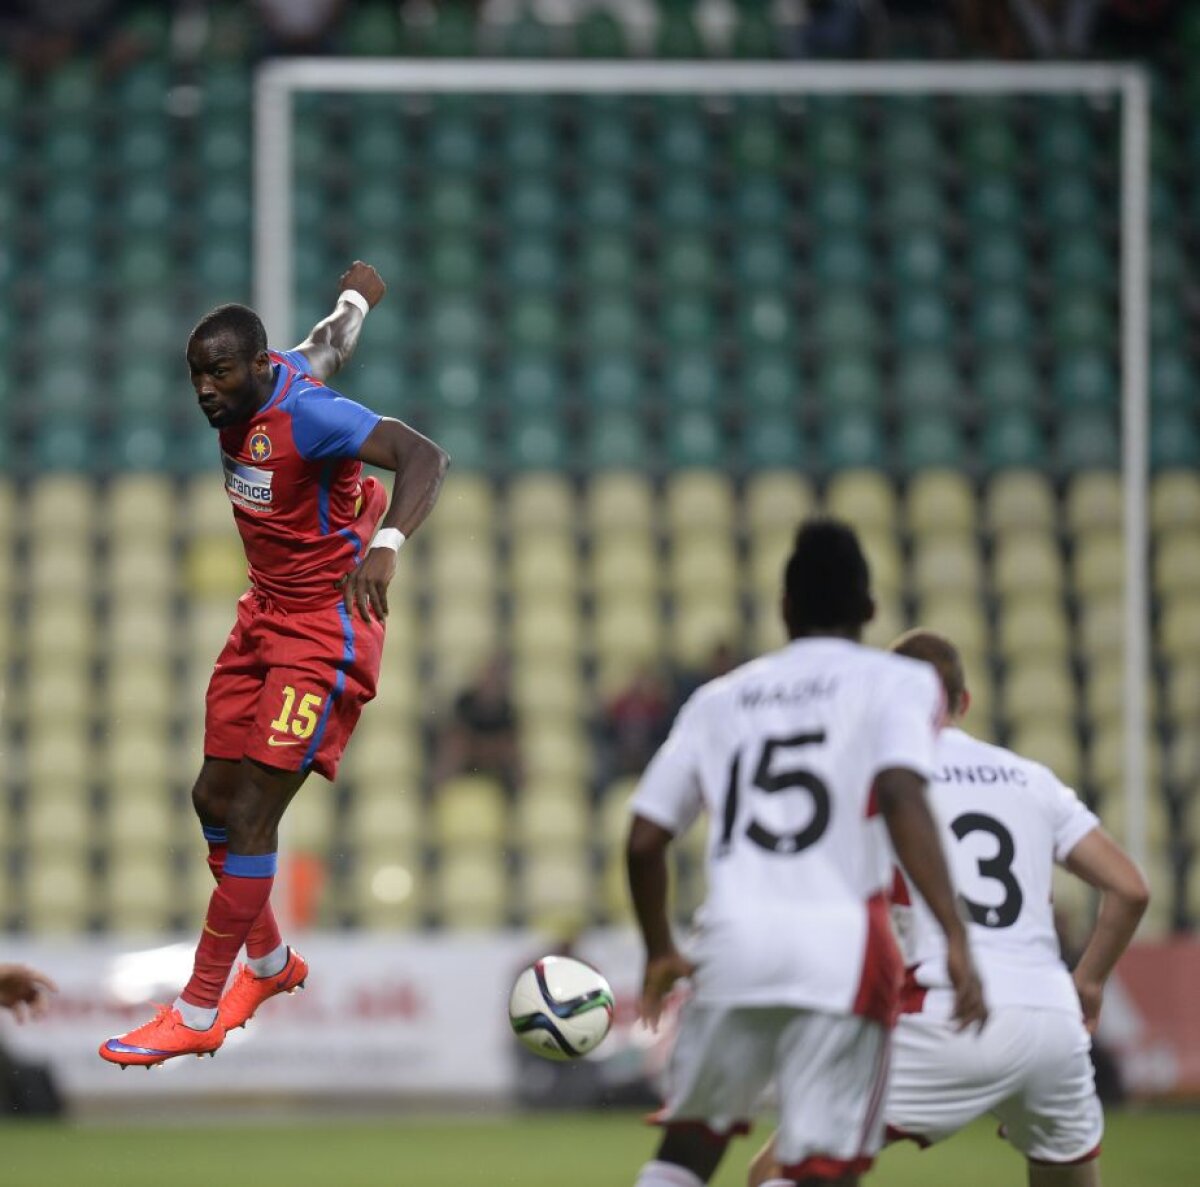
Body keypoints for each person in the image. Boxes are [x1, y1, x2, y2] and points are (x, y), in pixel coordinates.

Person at [100, 261, 449, 1068]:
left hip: (323, 632)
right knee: (212, 800)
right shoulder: (272, 377)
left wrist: (387, 544)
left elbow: (424, 455)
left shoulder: (311, 414)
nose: (205, 390)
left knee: (255, 815)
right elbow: (329, 341)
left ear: (257, 366)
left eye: (219, 373)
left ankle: (197, 1009)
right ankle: (268, 963)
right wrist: (357, 297)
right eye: (196, 375)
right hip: (263, 616)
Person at [625, 520, 986, 1187]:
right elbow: (901, 793)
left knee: (687, 1151)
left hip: (731, 941)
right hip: (842, 946)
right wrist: (955, 933)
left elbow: (646, 838)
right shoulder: (897, 682)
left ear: (785, 608)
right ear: (870, 608)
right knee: (823, 1167)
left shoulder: (719, 698)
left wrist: (659, 948)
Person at [748, 629, 1150, 1187]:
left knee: (774, 1171)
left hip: (946, 1010)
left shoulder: (878, 777)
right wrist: (1089, 982)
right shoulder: (1033, 779)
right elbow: (1130, 889)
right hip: (1052, 1022)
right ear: (964, 702)